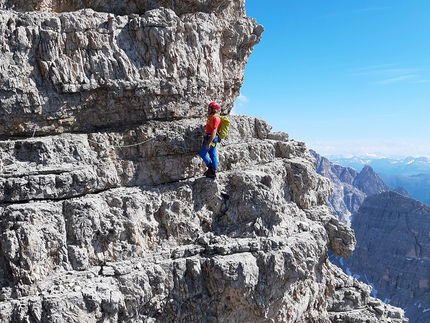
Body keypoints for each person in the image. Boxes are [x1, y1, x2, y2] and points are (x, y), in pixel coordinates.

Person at [199, 101, 221, 179]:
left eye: (210, 108)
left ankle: (211, 168)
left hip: (212, 138)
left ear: (214, 109)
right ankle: (213, 171)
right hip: (211, 138)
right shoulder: (211, 117)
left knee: (202, 153)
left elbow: (214, 131)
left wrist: (209, 142)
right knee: (212, 154)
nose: (208, 110)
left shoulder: (215, 118)